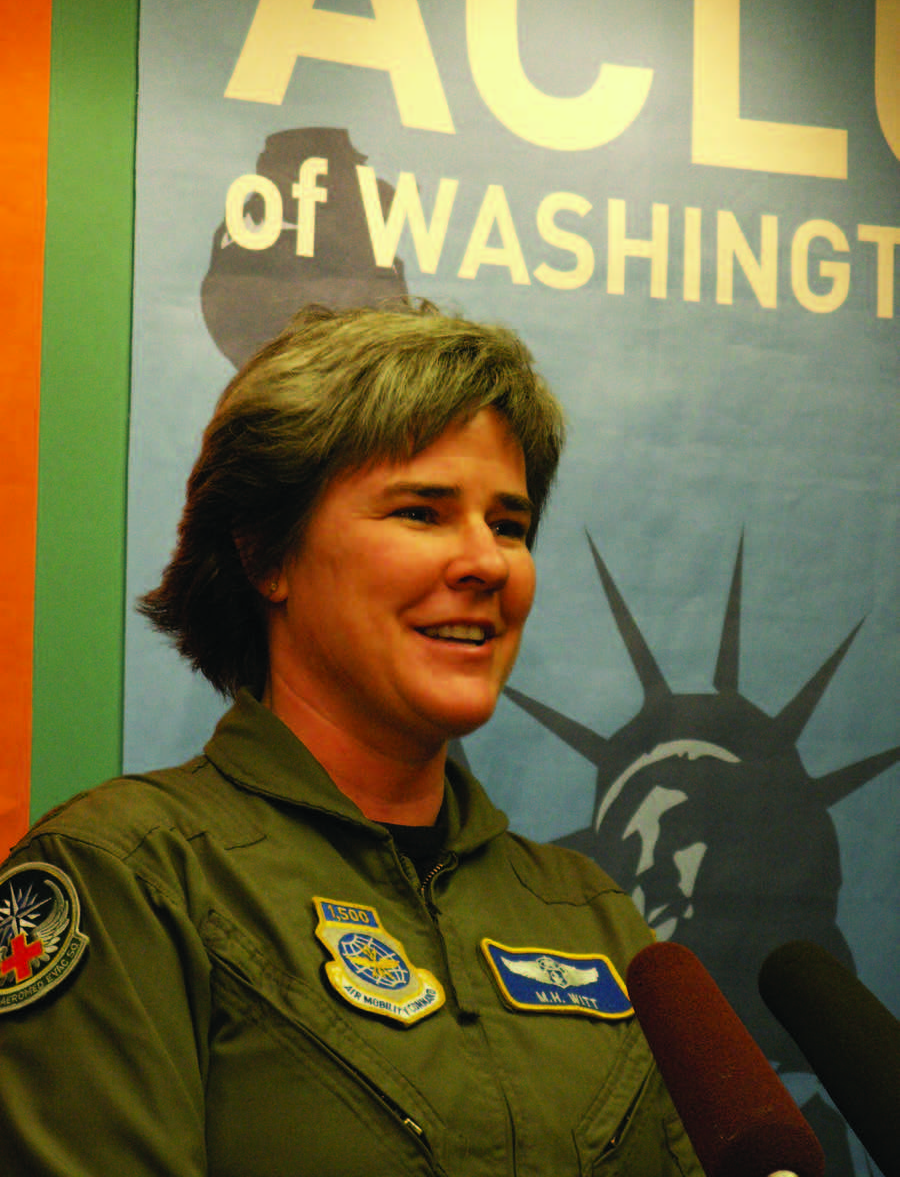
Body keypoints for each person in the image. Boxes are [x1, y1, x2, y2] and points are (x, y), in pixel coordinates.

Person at [0, 302, 701, 1175]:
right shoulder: (129, 879)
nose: (487, 562)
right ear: (266, 556)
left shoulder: (590, 915)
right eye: (422, 512)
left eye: (510, 526)